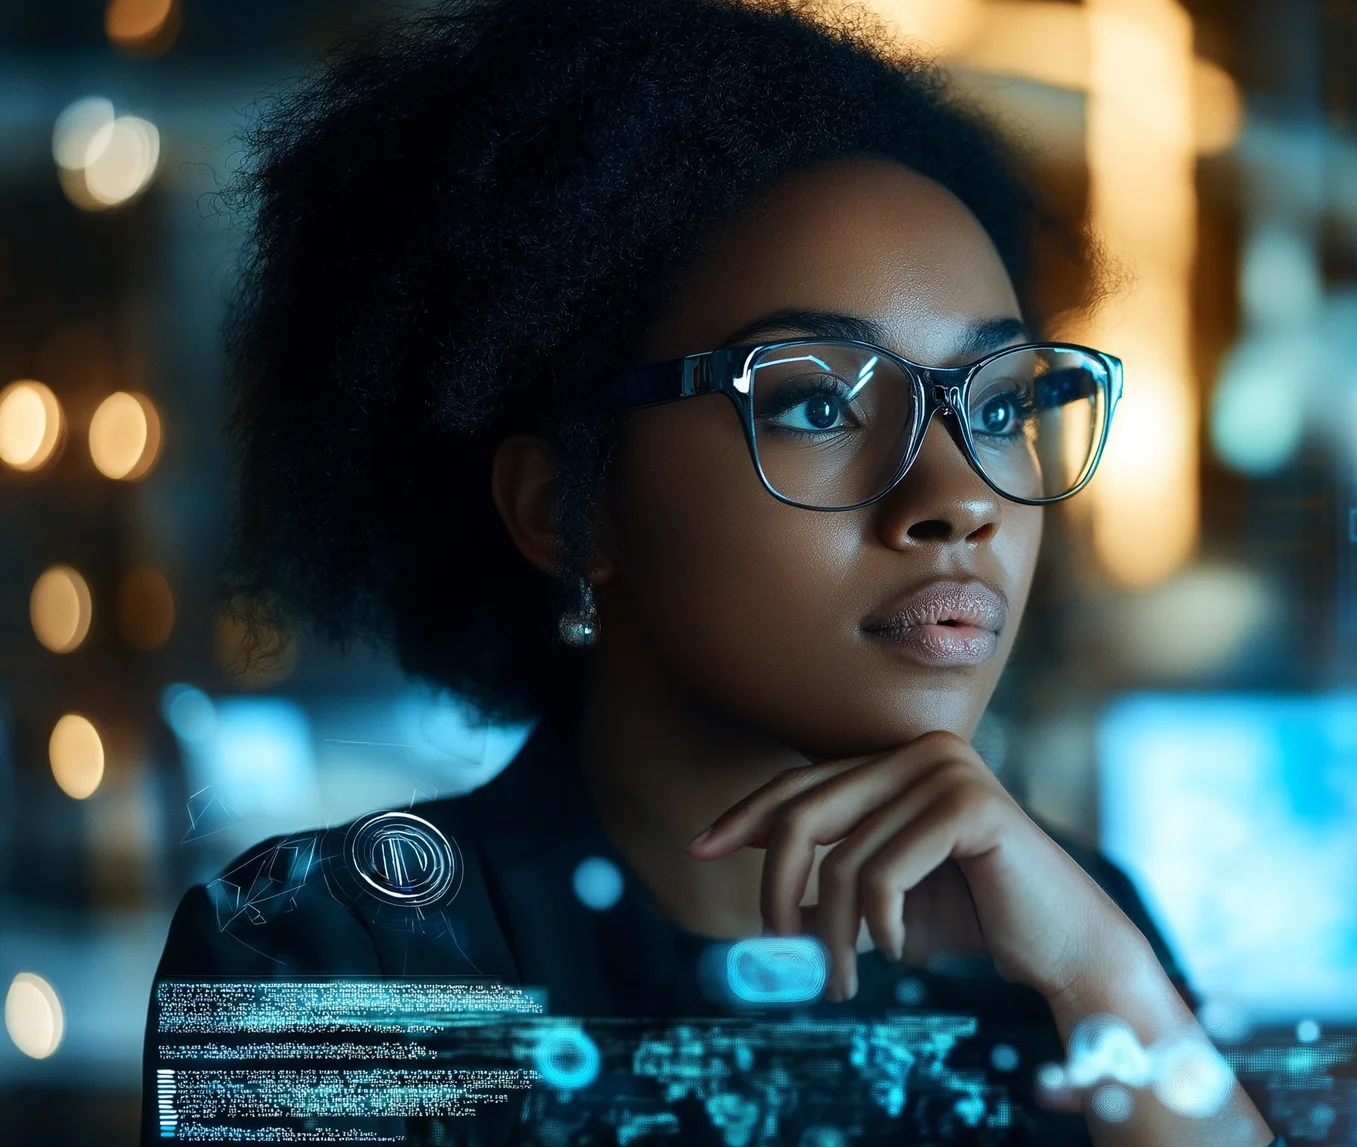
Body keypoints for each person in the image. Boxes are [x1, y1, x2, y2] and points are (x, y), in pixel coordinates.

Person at [146, 2, 1275, 1144]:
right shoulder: (334, 962)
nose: (960, 498)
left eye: (1000, 405)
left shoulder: (1070, 938)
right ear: (571, 509)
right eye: (816, 402)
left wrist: (1111, 983)